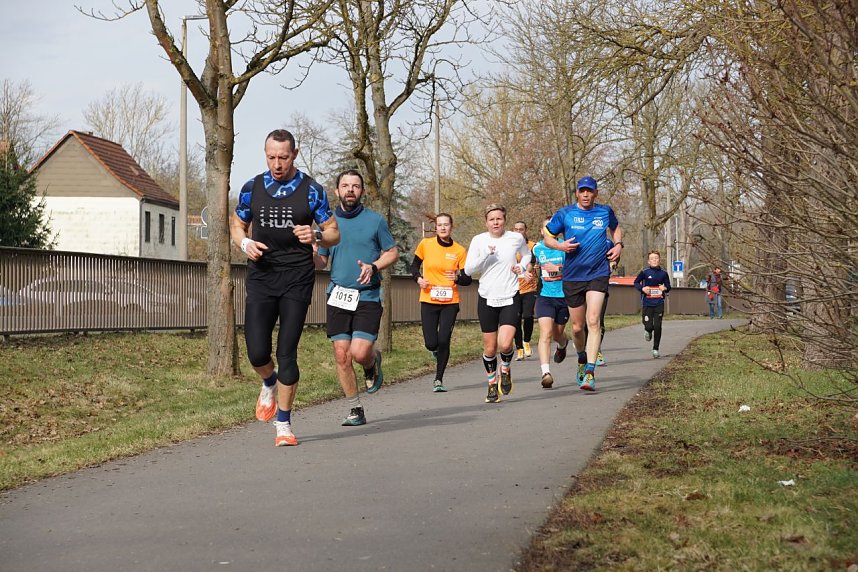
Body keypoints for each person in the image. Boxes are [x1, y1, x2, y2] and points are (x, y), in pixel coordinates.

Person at [229, 129, 340, 447]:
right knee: (257, 351)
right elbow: (236, 223)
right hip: (262, 276)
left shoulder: (311, 190)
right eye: (271, 157)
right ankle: (268, 382)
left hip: (297, 277)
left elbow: (333, 232)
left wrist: (316, 237)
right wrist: (245, 242)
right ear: (266, 154)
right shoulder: (253, 187)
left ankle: (284, 424)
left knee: (286, 353)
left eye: (284, 157)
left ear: (295, 154)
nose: (277, 163)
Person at [317, 169, 398, 426]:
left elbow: (392, 252)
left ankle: (372, 363)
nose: (350, 189)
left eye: (355, 186)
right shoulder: (327, 225)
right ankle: (355, 409)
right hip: (338, 295)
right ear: (337, 191)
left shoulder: (375, 221)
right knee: (342, 355)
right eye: (345, 185)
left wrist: (374, 266)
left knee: (360, 352)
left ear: (362, 191)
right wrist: (307, 252)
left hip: (367, 295)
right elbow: (320, 261)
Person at [544, 176, 623, 392]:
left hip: (597, 273)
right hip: (573, 275)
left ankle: (590, 371)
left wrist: (618, 245)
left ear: (596, 193)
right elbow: (547, 236)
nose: (586, 194)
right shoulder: (566, 213)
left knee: (593, 320)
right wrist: (560, 247)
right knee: (578, 328)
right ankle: (581, 358)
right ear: (577, 193)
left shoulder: (604, 211)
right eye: (582, 191)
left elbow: (616, 229)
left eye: (590, 191)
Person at [464, 204, 531, 403]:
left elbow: (527, 254)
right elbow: (468, 270)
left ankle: (506, 368)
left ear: (504, 220)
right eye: (491, 219)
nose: (495, 222)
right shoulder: (479, 240)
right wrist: (486, 254)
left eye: (499, 218)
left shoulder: (515, 238)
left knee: (505, 343)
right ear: (486, 222)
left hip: (510, 296)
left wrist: (521, 265)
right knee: (490, 348)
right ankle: (492, 384)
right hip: (487, 297)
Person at [409, 213, 471, 392]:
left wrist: (458, 278)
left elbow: (467, 278)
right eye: (439, 225)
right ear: (435, 228)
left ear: (452, 227)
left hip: (450, 301)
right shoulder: (426, 244)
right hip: (429, 298)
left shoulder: (459, 250)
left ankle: (438, 379)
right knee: (431, 342)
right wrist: (418, 279)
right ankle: (435, 351)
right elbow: (413, 266)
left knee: (444, 339)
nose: (443, 228)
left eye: (446, 225)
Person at [531, 218, 570, 389]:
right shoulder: (537, 248)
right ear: (542, 231)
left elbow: (575, 268)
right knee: (545, 333)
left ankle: (562, 345)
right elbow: (530, 265)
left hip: (564, 297)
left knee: (557, 335)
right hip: (544, 296)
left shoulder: (565, 246)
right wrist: (528, 272)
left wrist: (559, 269)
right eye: (547, 228)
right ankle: (546, 373)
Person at [634, 250, 671, 358]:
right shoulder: (645, 272)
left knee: (658, 326)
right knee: (649, 325)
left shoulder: (663, 273)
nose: (654, 260)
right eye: (652, 259)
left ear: (659, 260)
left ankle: (655, 349)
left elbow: (668, 287)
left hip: (659, 302)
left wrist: (664, 288)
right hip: (647, 303)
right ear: (648, 261)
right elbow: (636, 282)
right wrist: (642, 288)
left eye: (656, 258)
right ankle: (648, 331)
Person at [512, 221, 538, 361]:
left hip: (529, 286)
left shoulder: (532, 246)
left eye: (521, 229)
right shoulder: (509, 246)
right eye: (516, 229)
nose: (518, 232)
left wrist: (528, 271)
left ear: (525, 231)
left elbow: (533, 262)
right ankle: (519, 349)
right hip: (513, 287)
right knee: (515, 318)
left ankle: (526, 341)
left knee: (527, 315)